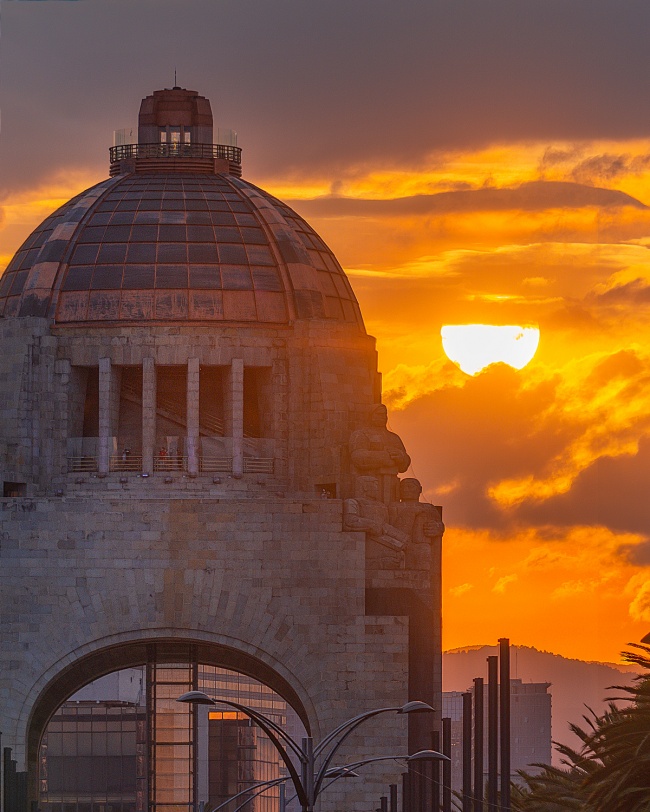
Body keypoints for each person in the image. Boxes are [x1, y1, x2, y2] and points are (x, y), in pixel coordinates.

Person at [349, 404, 411, 503]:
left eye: (384, 414)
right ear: (371, 415)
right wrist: (386, 458)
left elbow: (405, 463)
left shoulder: (394, 438)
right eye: (379, 414)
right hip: (370, 484)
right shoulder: (361, 434)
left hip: (392, 486)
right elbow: (358, 457)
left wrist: (401, 458)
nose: (382, 416)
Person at [343, 475, 408, 569]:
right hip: (366, 540)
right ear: (365, 487)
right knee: (396, 555)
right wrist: (371, 525)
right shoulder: (352, 502)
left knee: (400, 552)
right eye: (375, 484)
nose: (378, 488)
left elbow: (385, 526)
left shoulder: (381, 506)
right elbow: (349, 521)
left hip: (382, 538)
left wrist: (401, 537)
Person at [390, 478, 444, 570]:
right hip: (400, 547)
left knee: (423, 572)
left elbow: (440, 525)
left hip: (422, 546)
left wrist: (437, 528)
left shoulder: (429, 508)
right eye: (403, 487)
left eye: (410, 486)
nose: (406, 489)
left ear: (420, 489)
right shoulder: (394, 506)